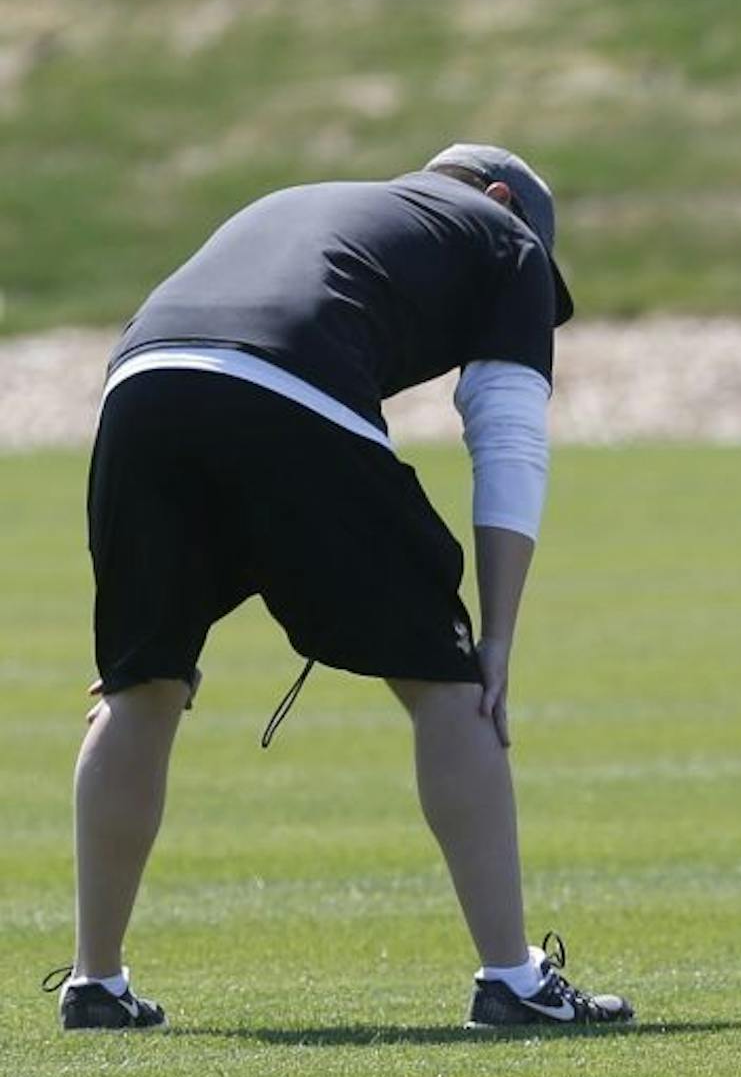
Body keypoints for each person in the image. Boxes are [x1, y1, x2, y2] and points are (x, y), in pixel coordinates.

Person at [54, 144, 632, 1031]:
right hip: (285, 380)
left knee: (142, 685)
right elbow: (508, 433)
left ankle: (96, 983)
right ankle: (513, 981)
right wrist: (496, 641)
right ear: (503, 198)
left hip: (138, 388)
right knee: (449, 688)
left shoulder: (312, 197)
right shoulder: (503, 237)